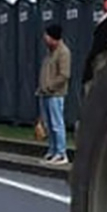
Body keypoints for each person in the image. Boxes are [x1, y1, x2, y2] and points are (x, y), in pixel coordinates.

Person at [37, 23, 71, 164]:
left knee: (57, 124)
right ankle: (52, 150)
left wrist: (49, 87)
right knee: (49, 124)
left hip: (55, 94)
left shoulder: (63, 52)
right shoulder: (49, 51)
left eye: (47, 35)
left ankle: (61, 153)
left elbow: (64, 75)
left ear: (53, 37)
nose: (44, 38)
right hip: (44, 93)